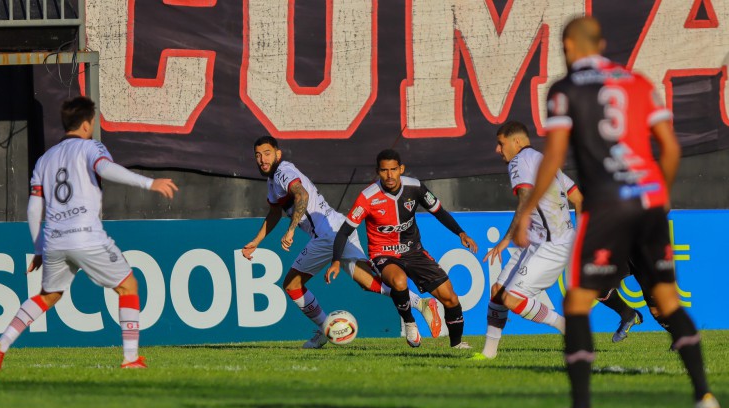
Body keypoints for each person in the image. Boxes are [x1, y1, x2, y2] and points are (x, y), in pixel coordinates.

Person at [513, 16, 720, 408]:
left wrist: (525, 212)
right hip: (649, 201)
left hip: (606, 206)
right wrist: (660, 197)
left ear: (570, 46)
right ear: (602, 43)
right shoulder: (639, 82)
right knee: (668, 299)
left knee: (576, 302)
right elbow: (671, 148)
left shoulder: (566, 89)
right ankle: (705, 396)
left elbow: (553, 157)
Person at [0, 96, 178, 370]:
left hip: (54, 240)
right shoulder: (90, 147)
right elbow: (105, 168)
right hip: (86, 235)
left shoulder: (44, 160)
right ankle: (131, 358)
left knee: (48, 295)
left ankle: (0, 346)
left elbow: (32, 208)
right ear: (87, 124)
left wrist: (39, 248)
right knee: (128, 286)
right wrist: (148, 183)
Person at [242, 137, 441, 349]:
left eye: (267, 153)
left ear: (277, 154)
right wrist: (256, 241)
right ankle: (422, 303)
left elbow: (302, 194)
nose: (262, 159)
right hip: (338, 225)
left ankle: (325, 328)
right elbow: (274, 213)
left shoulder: (283, 171)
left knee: (292, 285)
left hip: (326, 235)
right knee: (368, 282)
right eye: (257, 155)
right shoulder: (272, 181)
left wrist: (291, 229)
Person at [325, 149, 478, 349]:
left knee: (450, 297)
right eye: (384, 170)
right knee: (398, 281)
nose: (389, 175)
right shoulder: (367, 197)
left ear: (401, 169)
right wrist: (336, 261)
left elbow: (439, 212)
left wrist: (461, 233)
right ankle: (409, 322)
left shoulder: (415, 188)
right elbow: (344, 231)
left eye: (394, 169)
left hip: (414, 251)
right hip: (383, 253)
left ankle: (457, 345)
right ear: (377, 172)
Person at [478, 121, 582, 359]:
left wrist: (507, 240)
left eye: (500, 143)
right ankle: (488, 354)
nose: (498, 150)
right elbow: (578, 198)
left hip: (551, 246)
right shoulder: (543, 161)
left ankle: (565, 326)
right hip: (544, 242)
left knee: (513, 299)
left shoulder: (519, 161)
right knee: (497, 292)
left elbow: (524, 199)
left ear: (516, 142)